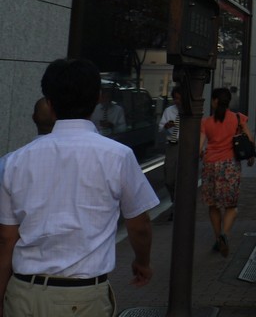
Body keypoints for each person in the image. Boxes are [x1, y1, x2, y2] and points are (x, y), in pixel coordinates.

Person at [0, 58, 158, 316]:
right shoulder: (118, 156)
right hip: (82, 298)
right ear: (97, 98)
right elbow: (139, 225)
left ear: (49, 103)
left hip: (23, 293)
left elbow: (7, 238)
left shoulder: (14, 161)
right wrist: (143, 262)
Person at [200, 87, 255, 258]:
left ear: (215, 101)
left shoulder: (206, 122)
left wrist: (202, 155)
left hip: (210, 165)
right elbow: (249, 138)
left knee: (213, 205)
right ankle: (225, 234)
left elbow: (199, 147)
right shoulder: (238, 118)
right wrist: (251, 155)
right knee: (231, 206)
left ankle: (218, 238)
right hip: (231, 165)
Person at [159, 87, 183, 217]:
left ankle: (178, 205)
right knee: (169, 178)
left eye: (179, 98)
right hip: (172, 145)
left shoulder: (189, 112)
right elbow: (160, 128)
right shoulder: (169, 111)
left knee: (182, 178)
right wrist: (166, 126)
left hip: (185, 145)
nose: (177, 101)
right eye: (175, 98)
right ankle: (175, 200)